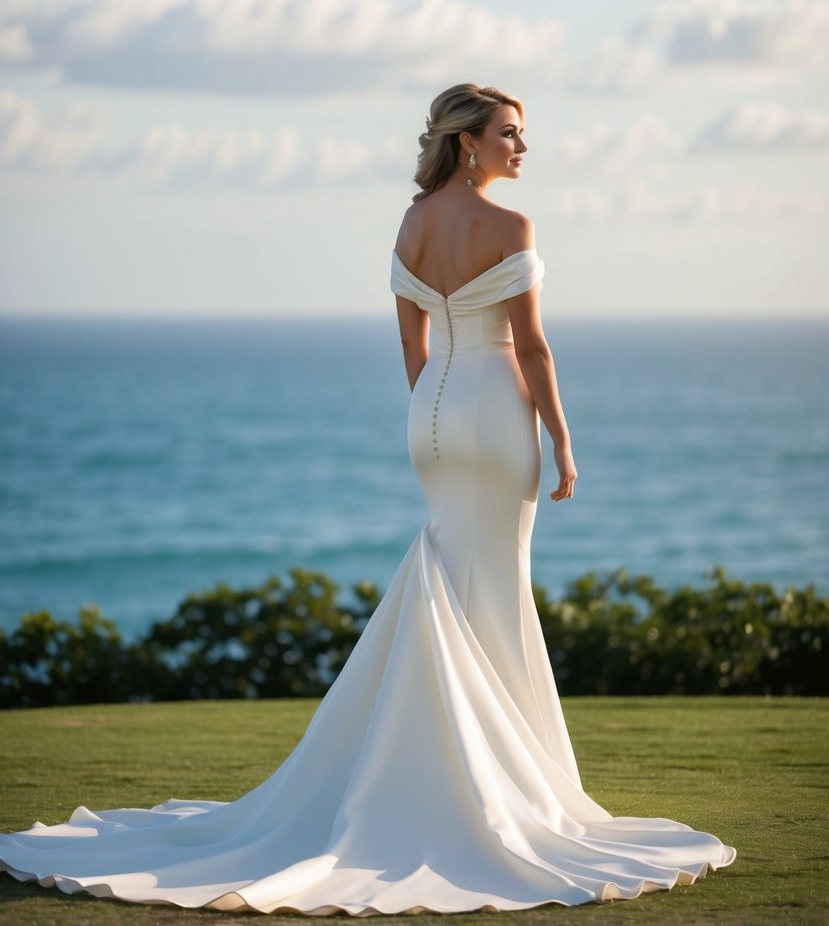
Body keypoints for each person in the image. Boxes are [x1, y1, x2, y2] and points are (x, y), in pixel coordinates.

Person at [0, 83, 736, 914]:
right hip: (495, 414)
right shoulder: (512, 229)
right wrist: (562, 438)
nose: (521, 149)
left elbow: (410, 341)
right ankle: (494, 788)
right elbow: (530, 346)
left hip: (429, 414)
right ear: (468, 143)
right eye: (509, 134)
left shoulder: (412, 222)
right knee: (492, 591)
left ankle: (462, 766)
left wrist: (434, 413)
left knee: (452, 579)